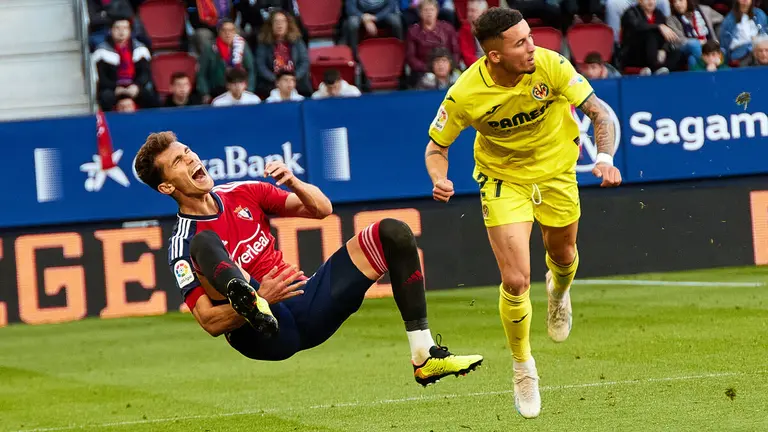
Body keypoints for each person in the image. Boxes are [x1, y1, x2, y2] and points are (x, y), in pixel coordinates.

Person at [133, 132, 483, 384]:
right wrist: (262, 298)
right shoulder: (181, 243)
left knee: (394, 232)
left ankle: (425, 357)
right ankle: (250, 302)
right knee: (205, 242)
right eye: (179, 160)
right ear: (167, 187)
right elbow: (209, 322)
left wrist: (295, 183)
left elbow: (322, 209)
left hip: (304, 305)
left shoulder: (242, 192)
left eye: (188, 151)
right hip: (262, 333)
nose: (192, 158)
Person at [423, 7, 621, 418]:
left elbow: (598, 111)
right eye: (521, 43)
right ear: (494, 56)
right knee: (514, 280)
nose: (533, 46)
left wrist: (604, 157)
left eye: (530, 36)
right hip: (502, 179)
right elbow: (436, 147)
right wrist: (439, 177)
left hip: (557, 172)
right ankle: (523, 367)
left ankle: (559, 293)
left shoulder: (550, 64)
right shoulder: (464, 93)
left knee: (563, 256)